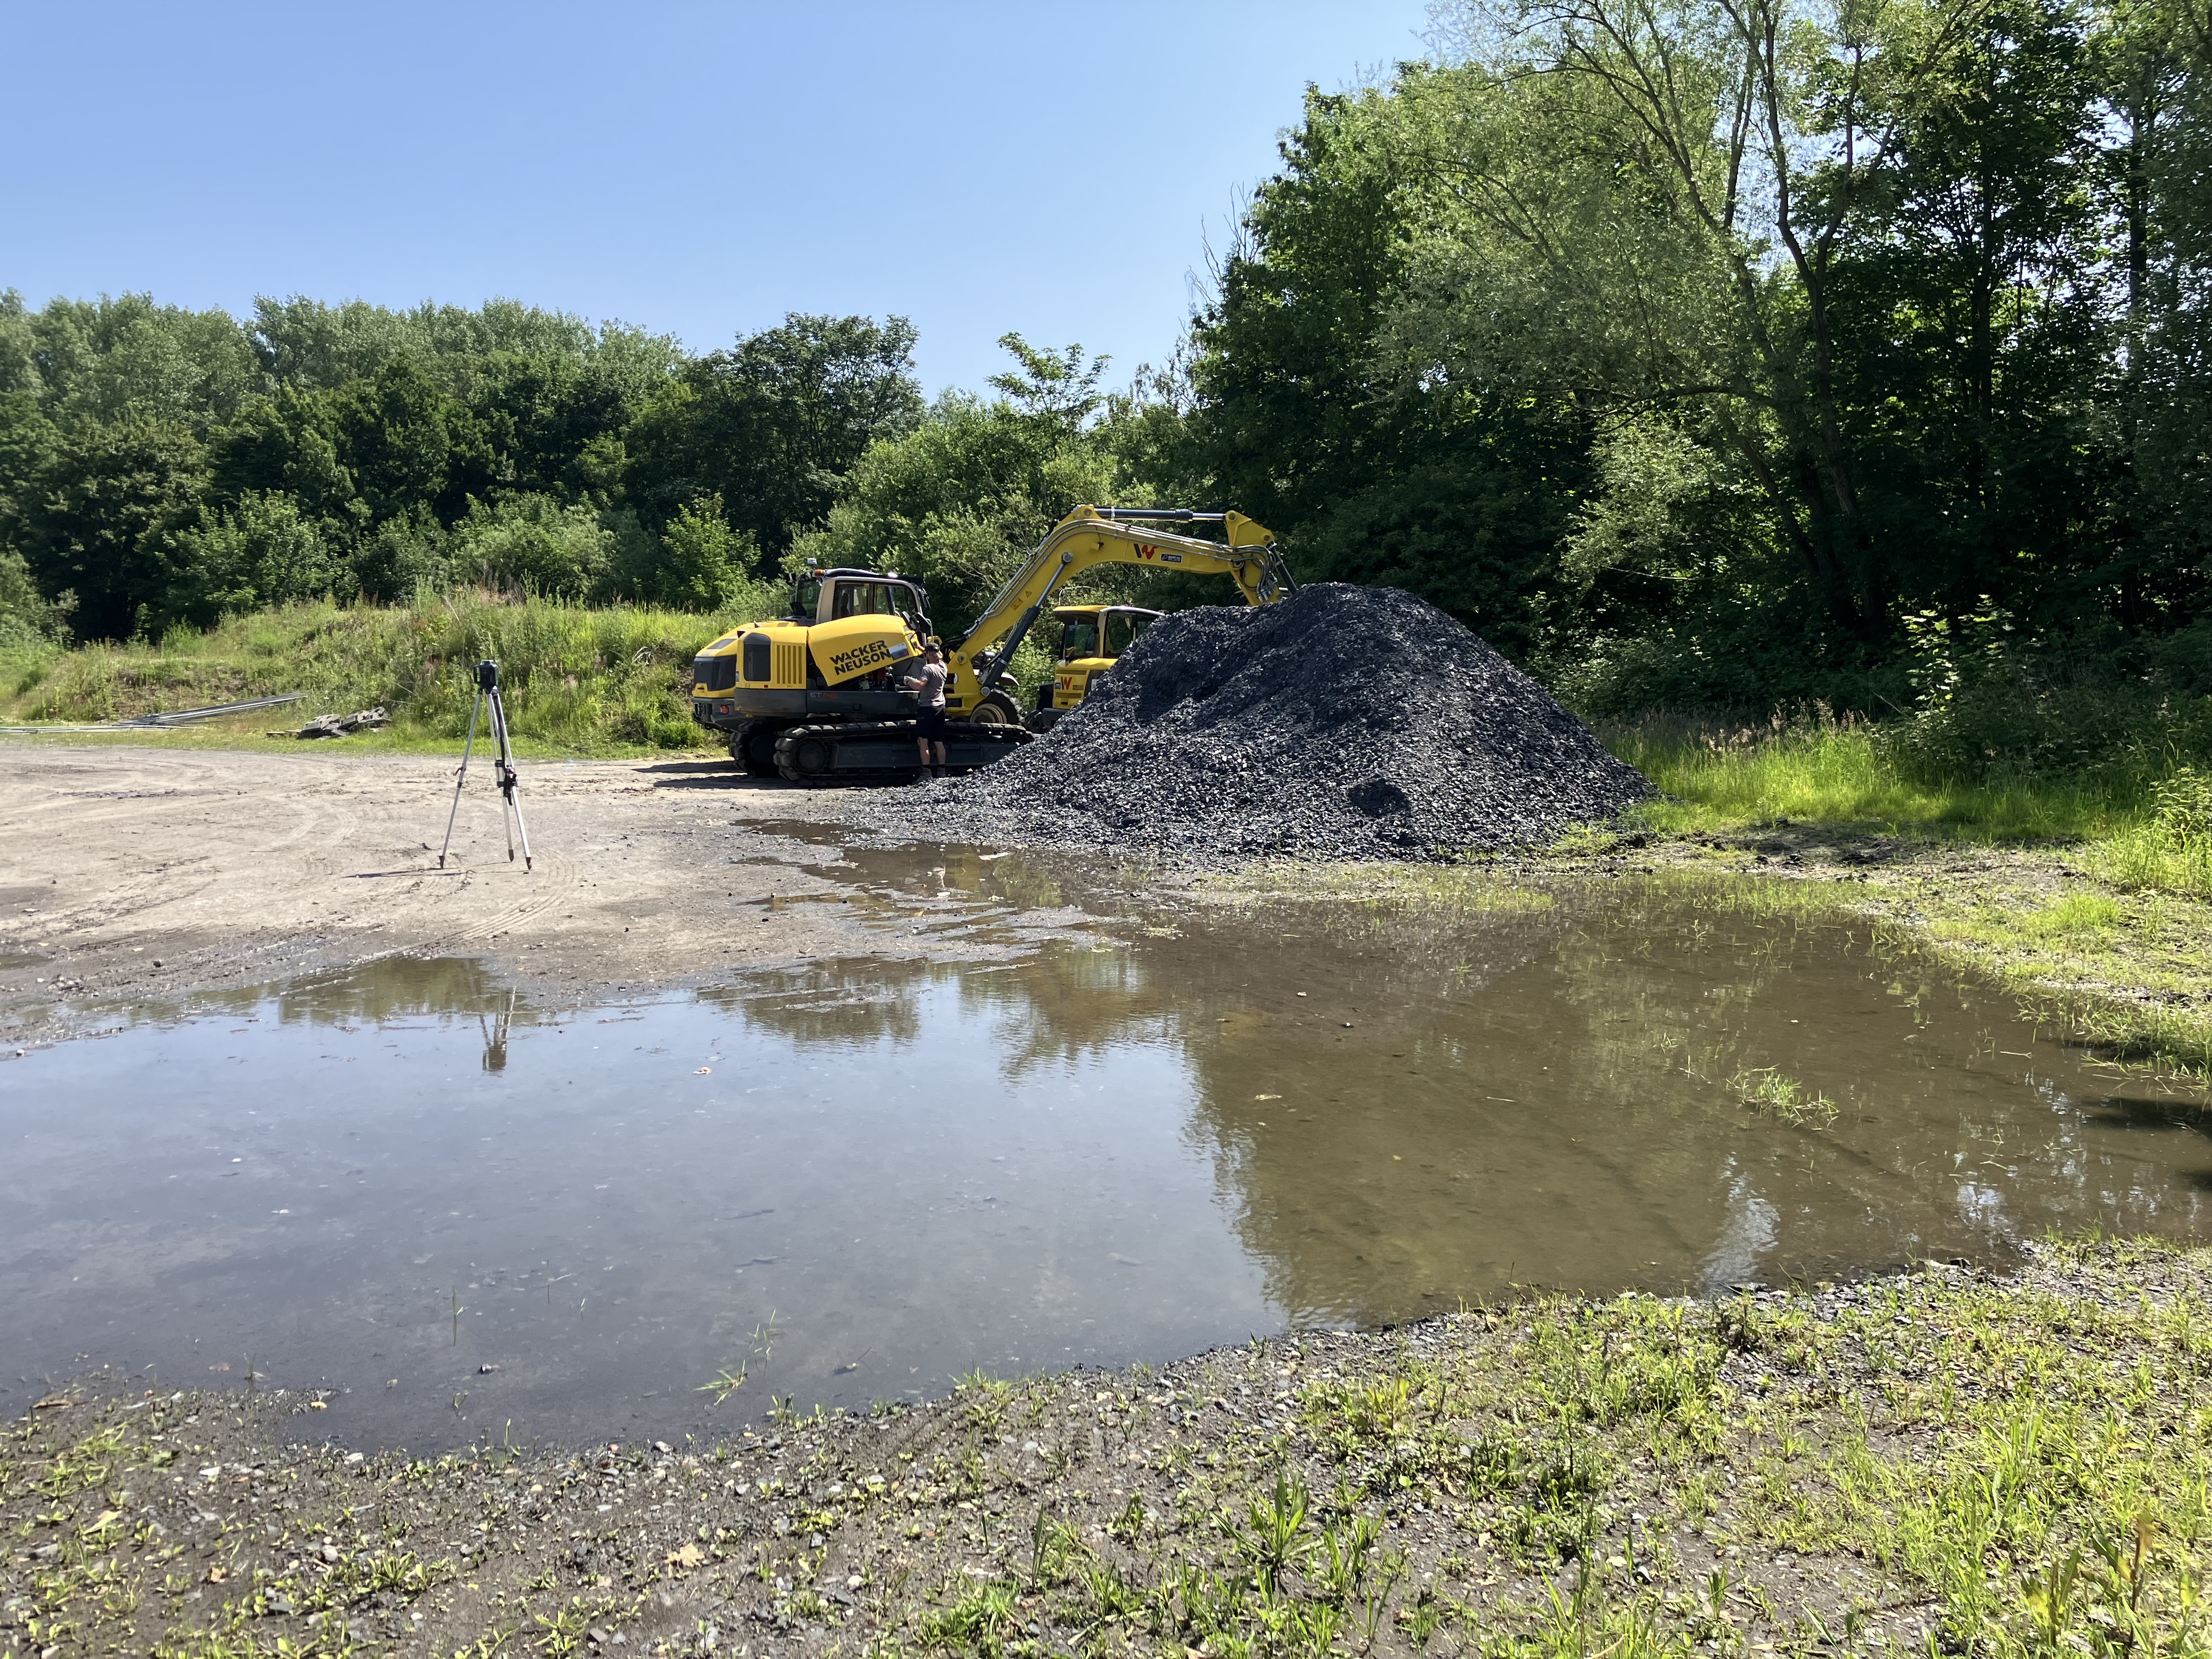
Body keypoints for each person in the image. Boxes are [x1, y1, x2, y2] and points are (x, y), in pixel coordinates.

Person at [903, 642, 950, 778]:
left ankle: (926, 772)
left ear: (929, 655)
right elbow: (932, 654)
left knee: (923, 741)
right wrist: (920, 648)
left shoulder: (928, 669)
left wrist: (908, 681)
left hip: (927, 708)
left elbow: (919, 686)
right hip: (940, 707)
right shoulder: (943, 667)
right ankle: (942, 771)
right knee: (938, 741)